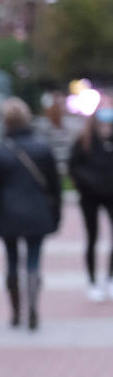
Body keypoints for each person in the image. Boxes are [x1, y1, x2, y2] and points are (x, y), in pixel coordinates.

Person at [0, 97, 63, 329]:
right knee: (34, 261)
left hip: (9, 216)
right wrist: (57, 215)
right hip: (38, 214)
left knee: (12, 262)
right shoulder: (42, 147)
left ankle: (16, 312)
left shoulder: (0, 150)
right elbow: (56, 186)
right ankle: (34, 307)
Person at [67, 104, 113, 301]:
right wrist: (88, 183)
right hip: (90, 197)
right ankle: (92, 281)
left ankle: (110, 278)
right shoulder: (84, 141)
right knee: (92, 238)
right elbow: (73, 167)